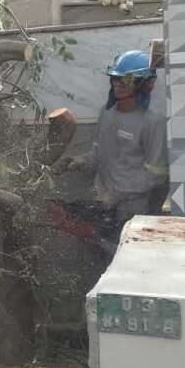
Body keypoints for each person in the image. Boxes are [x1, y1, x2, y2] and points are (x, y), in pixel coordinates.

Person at [53, 50, 168, 239]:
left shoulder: (153, 122)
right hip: (103, 204)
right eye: (115, 78)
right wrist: (79, 161)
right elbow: (99, 153)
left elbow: (156, 174)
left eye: (127, 79)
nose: (118, 83)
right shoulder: (107, 114)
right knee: (102, 257)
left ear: (146, 84)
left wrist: (118, 194)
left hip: (134, 211)